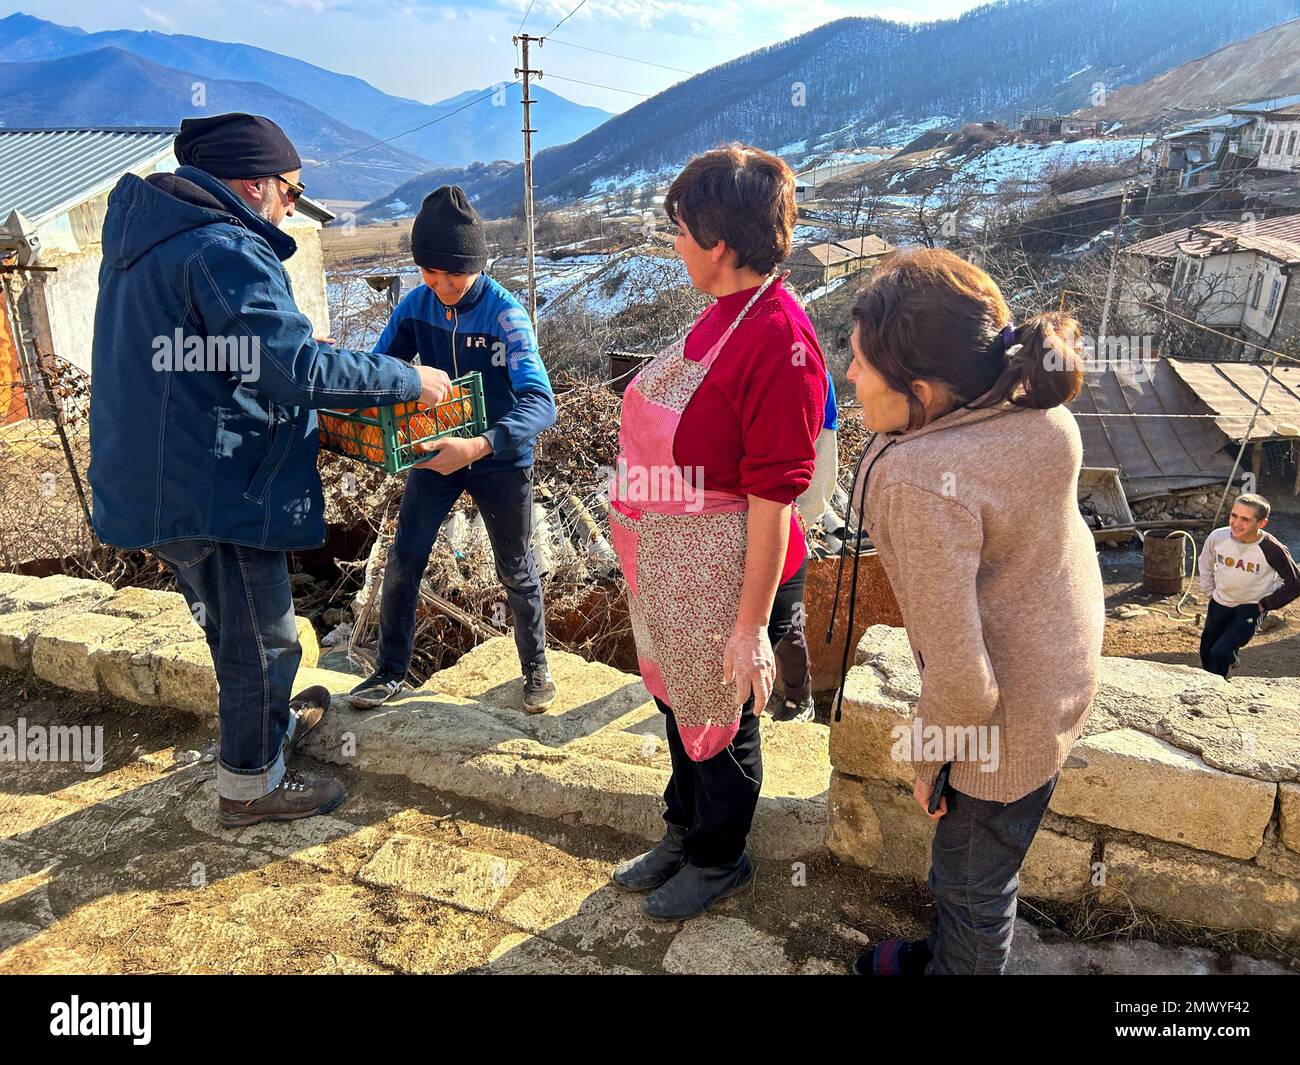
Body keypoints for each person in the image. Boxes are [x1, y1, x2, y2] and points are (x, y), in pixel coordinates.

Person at [89, 113, 453, 827]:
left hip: (161, 478)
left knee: (234, 628)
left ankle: (260, 734)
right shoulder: (221, 247)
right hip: (213, 482)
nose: (292, 204)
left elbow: (218, 351)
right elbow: (292, 370)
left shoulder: (154, 238)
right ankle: (251, 784)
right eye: (292, 189)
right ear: (257, 185)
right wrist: (409, 381)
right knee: (266, 636)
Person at [842, 248, 1103, 975]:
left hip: (997, 726)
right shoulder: (1034, 405)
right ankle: (946, 952)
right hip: (1058, 676)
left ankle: (960, 962)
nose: (849, 375)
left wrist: (927, 759)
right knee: (980, 875)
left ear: (922, 391)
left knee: (970, 883)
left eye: (863, 364)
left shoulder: (925, 484)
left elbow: (963, 683)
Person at [606, 145, 827, 921]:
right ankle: (682, 827)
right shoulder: (720, 314)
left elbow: (774, 502)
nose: (674, 246)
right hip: (674, 559)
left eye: (680, 231)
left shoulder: (782, 342)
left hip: (735, 565)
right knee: (679, 701)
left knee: (725, 708)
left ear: (721, 243)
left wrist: (749, 627)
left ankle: (720, 854)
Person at [347, 187, 558, 712]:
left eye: (453, 275)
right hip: (435, 451)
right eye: (428, 273)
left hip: (499, 457)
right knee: (404, 557)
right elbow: (380, 372)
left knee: (515, 565)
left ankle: (535, 667)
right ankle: (390, 670)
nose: (441, 286)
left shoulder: (506, 317)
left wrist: (482, 444)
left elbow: (541, 403)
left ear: (477, 266)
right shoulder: (415, 307)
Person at [769, 368, 839, 724]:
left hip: (784, 518)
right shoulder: (745, 363)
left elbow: (824, 467)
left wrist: (797, 522)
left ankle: (799, 698)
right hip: (739, 515)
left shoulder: (813, 376)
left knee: (784, 616)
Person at [1197, 493, 1299, 678]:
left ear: (1261, 523)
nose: (1236, 523)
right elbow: (1205, 562)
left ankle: (1217, 689)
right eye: (1234, 515)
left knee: (1219, 653)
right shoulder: (1218, 537)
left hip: (1250, 607)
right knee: (1206, 649)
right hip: (1220, 602)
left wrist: (1265, 605)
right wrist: (1209, 591)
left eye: (1245, 519)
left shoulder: (1272, 549)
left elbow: (1295, 583)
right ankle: (1223, 666)